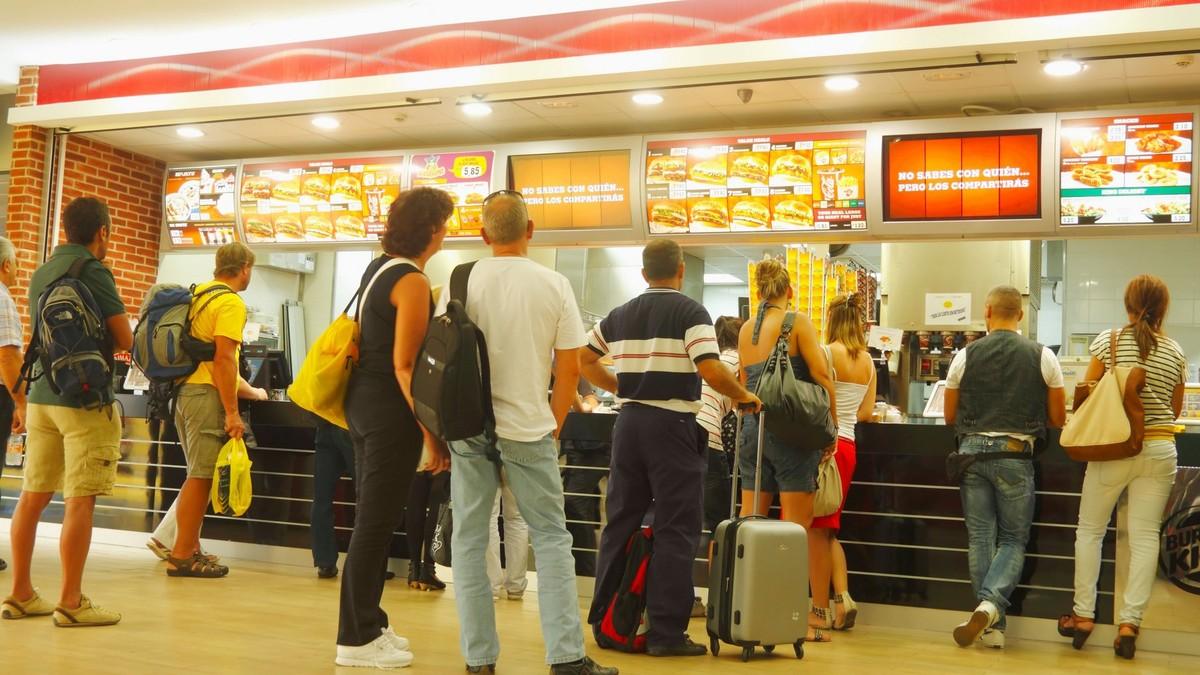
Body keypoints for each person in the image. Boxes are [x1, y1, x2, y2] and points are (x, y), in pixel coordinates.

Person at [440, 191, 615, 675]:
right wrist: (553, 427)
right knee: (552, 539)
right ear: (531, 231)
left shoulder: (459, 279)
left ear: (483, 235)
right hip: (528, 430)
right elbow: (568, 369)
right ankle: (566, 657)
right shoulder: (554, 284)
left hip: (469, 430)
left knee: (469, 541)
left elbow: (442, 359)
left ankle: (479, 660)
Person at [584, 239, 760, 658]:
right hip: (672, 427)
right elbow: (710, 369)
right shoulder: (691, 312)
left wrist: (622, 387)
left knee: (620, 522)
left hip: (629, 425)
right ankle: (665, 632)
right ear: (680, 270)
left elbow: (583, 360)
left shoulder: (619, 314)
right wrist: (744, 396)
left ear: (644, 273)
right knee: (676, 528)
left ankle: (607, 623)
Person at [335, 187, 452, 669]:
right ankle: (356, 639)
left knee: (373, 519)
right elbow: (406, 366)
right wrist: (431, 432)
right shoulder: (412, 281)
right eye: (445, 223)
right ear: (431, 229)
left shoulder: (379, 268)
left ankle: (372, 621)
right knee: (375, 524)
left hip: (363, 403)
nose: (447, 231)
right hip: (389, 410)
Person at [2, 197, 132, 626]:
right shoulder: (93, 270)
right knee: (80, 499)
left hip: (42, 395)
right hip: (84, 398)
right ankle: (71, 602)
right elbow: (125, 339)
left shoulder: (43, 271)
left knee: (33, 496)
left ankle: (20, 593)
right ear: (102, 232)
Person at [1060, 274, 1186, 660]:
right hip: (1160, 449)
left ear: (1128, 305)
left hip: (1113, 448)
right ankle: (1130, 624)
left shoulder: (1109, 341)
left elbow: (1086, 394)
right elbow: (1174, 410)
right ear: (1163, 309)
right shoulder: (1175, 351)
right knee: (1145, 538)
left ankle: (1083, 616)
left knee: (1090, 531)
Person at [944, 285, 1066, 650]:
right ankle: (991, 609)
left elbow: (949, 415)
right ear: (1021, 314)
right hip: (1014, 455)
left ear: (987, 311)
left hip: (970, 454)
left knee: (981, 538)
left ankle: (992, 625)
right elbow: (1058, 417)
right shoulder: (1043, 355)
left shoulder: (964, 355)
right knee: (1013, 540)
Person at [735, 257, 837, 644]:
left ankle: (748, 611)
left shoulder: (746, 329)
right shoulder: (797, 322)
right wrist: (831, 426)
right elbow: (822, 375)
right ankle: (795, 620)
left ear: (759, 291)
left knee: (750, 523)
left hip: (752, 430)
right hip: (792, 432)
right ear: (789, 291)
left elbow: (743, 380)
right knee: (794, 531)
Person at [164, 242, 261, 578]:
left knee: (197, 474)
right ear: (245, 268)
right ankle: (181, 555)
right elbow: (224, 359)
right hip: (206, 394)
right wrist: (232, 413)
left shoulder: (198, 294)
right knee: (202, 475)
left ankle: (190, 547)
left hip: (183, 392)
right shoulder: (230, 302)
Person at [811, 295, 876, 632]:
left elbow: (814, 401)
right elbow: (865, 412)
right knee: (828, 528)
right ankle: (843, 597)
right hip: (849, 448)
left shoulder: (825, 353)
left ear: (831, 319)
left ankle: (819, 609)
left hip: (825, 449)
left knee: (816, 530)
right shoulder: (868, 361)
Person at [692, 315, 742, 617]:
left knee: (682, 522)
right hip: (709, 441)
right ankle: (719, 600)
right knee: (720, 525)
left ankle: (686, 598)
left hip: (685, 435)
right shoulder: (737, 361)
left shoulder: (707, 360)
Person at [561, 378, 610, 577]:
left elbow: (590, 397)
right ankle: (585, 572)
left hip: (582, 446)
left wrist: (582, 406)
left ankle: (587, 573)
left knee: (575, 505)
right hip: (574, 446)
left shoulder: (570, 368)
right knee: (576, 507)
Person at [0, 237, 26, 574]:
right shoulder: (2, 299)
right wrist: (21, 401)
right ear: (6, 265)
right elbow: (7, 356)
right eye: (17, 261)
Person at [405, 460, 449, 591]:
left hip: (415, 452)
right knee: (437, 503)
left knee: (414, 502)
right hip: (442, 451)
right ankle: (427, 571)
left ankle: (414, 571)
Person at [486, 470, 528, 600]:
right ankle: (516, 585)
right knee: (517, 518)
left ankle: (491, 585)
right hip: (519, 460)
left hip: (487, 460)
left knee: (488, 517)